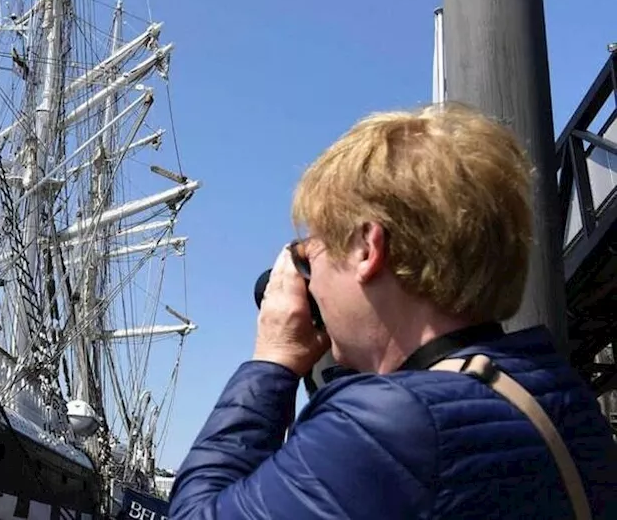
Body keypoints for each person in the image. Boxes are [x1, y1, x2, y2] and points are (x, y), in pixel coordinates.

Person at [169, 103, 617, 519]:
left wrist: (272, 360)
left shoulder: (387, 425)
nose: (312, 282)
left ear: (367, 247)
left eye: (312, 252)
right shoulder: (562, 401)